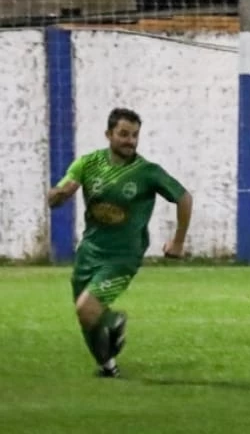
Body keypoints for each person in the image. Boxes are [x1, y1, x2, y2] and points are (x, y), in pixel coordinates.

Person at [46, 107, 193, 377]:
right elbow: (60, 192)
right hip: (89, 253)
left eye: (135, 135)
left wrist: (178, 242)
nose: (130, 141)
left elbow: (184, 197)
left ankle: (115, 320)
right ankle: (108, 367)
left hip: (122, 257)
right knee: (85, 317)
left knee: (87, 309)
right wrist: (58, 195)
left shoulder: (147, 172)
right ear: (108, 134)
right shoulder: (88, 164)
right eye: (124, 134)